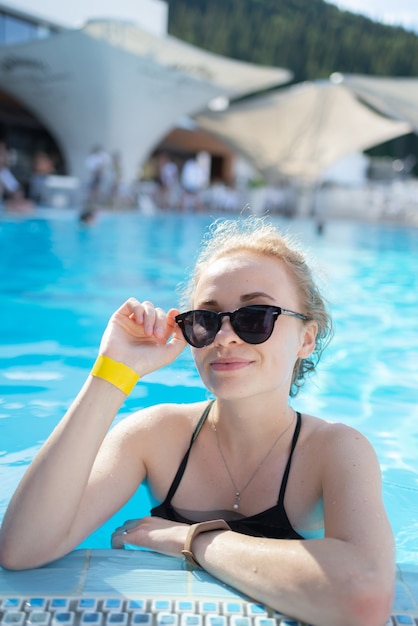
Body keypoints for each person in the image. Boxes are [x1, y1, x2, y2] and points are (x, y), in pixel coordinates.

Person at [0, 217, 395, 626]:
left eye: (255, 316)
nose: (224, 337)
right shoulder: (156, 437)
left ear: (306, 339)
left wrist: (187, 538)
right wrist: (114, 373)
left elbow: (362, 600)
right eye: (206, 320)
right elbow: (22, 548)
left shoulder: (334, 451)